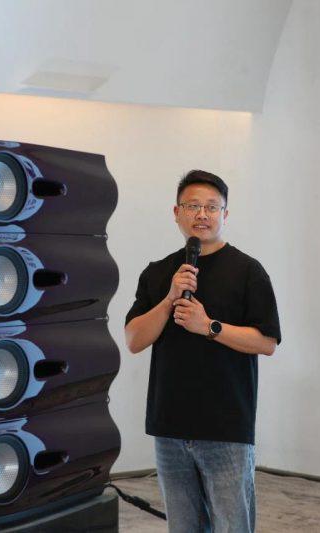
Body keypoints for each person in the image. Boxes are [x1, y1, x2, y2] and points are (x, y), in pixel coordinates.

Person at [124, 170, 281, 532]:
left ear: (225, 214)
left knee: (231, 525)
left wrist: (209, 326)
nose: (202, 215)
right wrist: (169, 299)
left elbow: (267, 342)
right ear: (176, 212)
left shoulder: (248, 271)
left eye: (212, 207)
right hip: (169, 426)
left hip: (226, 427)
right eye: (193, 206)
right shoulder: (159, 273)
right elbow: (134, 340)